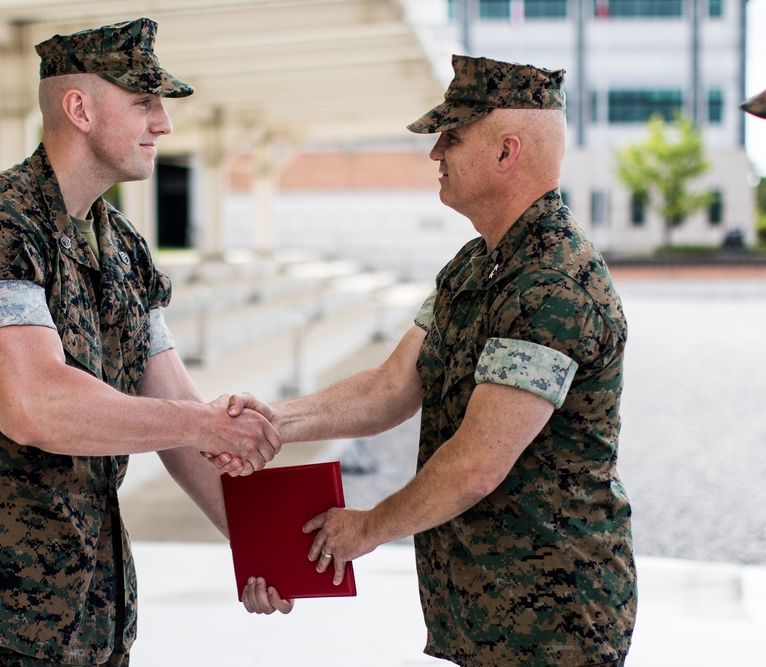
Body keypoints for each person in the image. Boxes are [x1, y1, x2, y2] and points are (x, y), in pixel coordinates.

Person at [0, 17, 279, 666]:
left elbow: (175, 403)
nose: (164, 124)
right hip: (3, 606)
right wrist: (202, 422)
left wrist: (259, 545)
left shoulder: (121, 245)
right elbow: (34, 402)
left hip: (95, 600)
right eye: (144, 103)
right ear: (80, 109)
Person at [234, 55, 637, 666]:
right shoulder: (476, 265)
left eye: (452, 135)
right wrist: (272, 422)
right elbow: (391, 385)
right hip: (486, 613)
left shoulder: (554, 284)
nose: (436, 152)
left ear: (507, 152)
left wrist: (365, 529)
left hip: (553, 624)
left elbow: (477, 463)